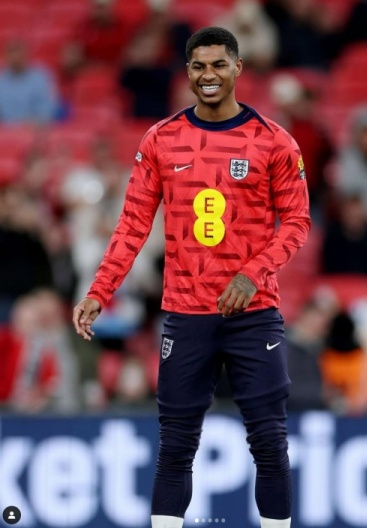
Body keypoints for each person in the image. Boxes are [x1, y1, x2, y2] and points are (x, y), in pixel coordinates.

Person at [72, 27, 311, 528]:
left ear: (238, 68)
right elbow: (132, 224)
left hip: (254, 314)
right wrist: (100, 290)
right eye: (199, 66)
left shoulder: (273, 141)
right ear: (187, 72)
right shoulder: (160, 139)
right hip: (185, 312)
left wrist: (252, 274)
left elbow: (297, 222)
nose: (208, 75)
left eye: (219, 64)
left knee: (269, 441)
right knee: (176, 445)